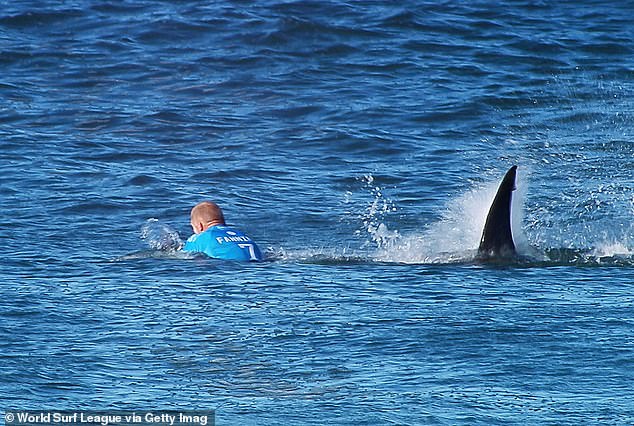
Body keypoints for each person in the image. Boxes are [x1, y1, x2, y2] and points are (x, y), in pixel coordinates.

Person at [182, 201, 263, 261]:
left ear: (200, 226)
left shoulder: (202, 237)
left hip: (230, 268)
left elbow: (184, 256)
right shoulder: (241, 234)